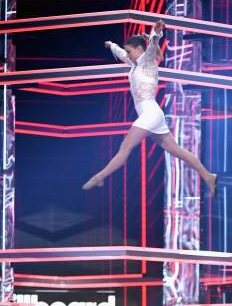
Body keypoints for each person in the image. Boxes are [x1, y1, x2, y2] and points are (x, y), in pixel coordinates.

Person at [82, 20, 217, 195]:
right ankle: (208, 176)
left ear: (139, 50)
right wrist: (111, 45)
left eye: (131, 52)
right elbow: (121, 53)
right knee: (177, 151)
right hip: (151, 114)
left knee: (126, 147)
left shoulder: (147, 60)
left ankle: (99, 177)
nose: (128, 55)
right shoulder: (134, 64)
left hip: (150, 113)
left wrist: (156, 32)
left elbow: (153, 44)